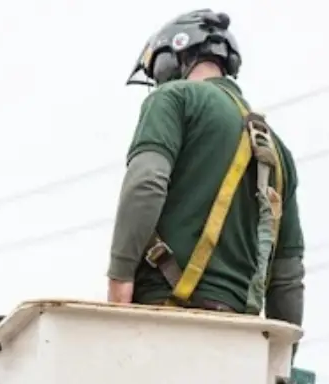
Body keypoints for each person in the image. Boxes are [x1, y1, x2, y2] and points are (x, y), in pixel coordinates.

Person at [105, 9, 305, 329]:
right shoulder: (278, 150)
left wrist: (120, 279)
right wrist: (279, 365)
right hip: (237, 337)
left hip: (163, 314)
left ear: (173, 59)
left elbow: (146, 183)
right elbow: (287, 277)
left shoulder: (173, 98)